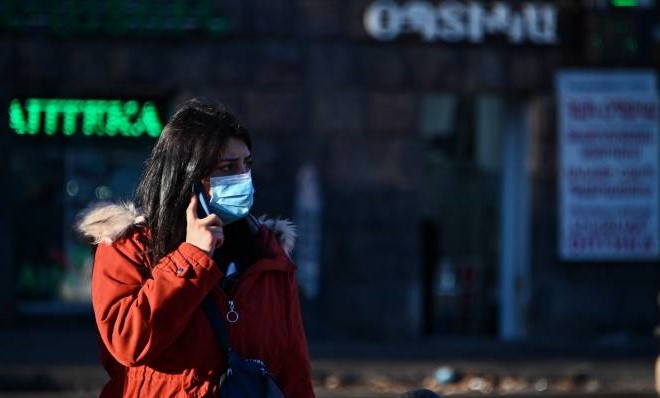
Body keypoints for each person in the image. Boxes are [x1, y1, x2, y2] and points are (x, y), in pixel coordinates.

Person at [76, 99, 315, 398]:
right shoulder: (127, 247)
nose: (243, 176)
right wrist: (191, 258)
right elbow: (128, 343)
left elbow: (293, 368)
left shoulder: (266, 252)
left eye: (247, 164)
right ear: (186, 177)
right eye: (227, 167)